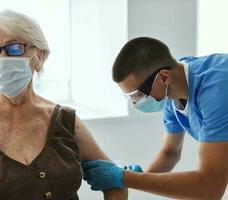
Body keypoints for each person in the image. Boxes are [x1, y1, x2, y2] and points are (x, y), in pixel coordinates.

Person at [0, 10, 128, 200]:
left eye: (15, 48)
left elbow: (116, 181)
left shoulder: (65, 121)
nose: (2, 58)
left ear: (40, 56)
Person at [82, 37, 228, 199]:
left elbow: (209, 189)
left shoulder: (217, 91)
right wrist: (141, 175)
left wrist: (125, 178)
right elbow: (170, 153)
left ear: (164, 77)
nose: (135, 103)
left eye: (137, 95)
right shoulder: (174, 91)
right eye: (129, 97)